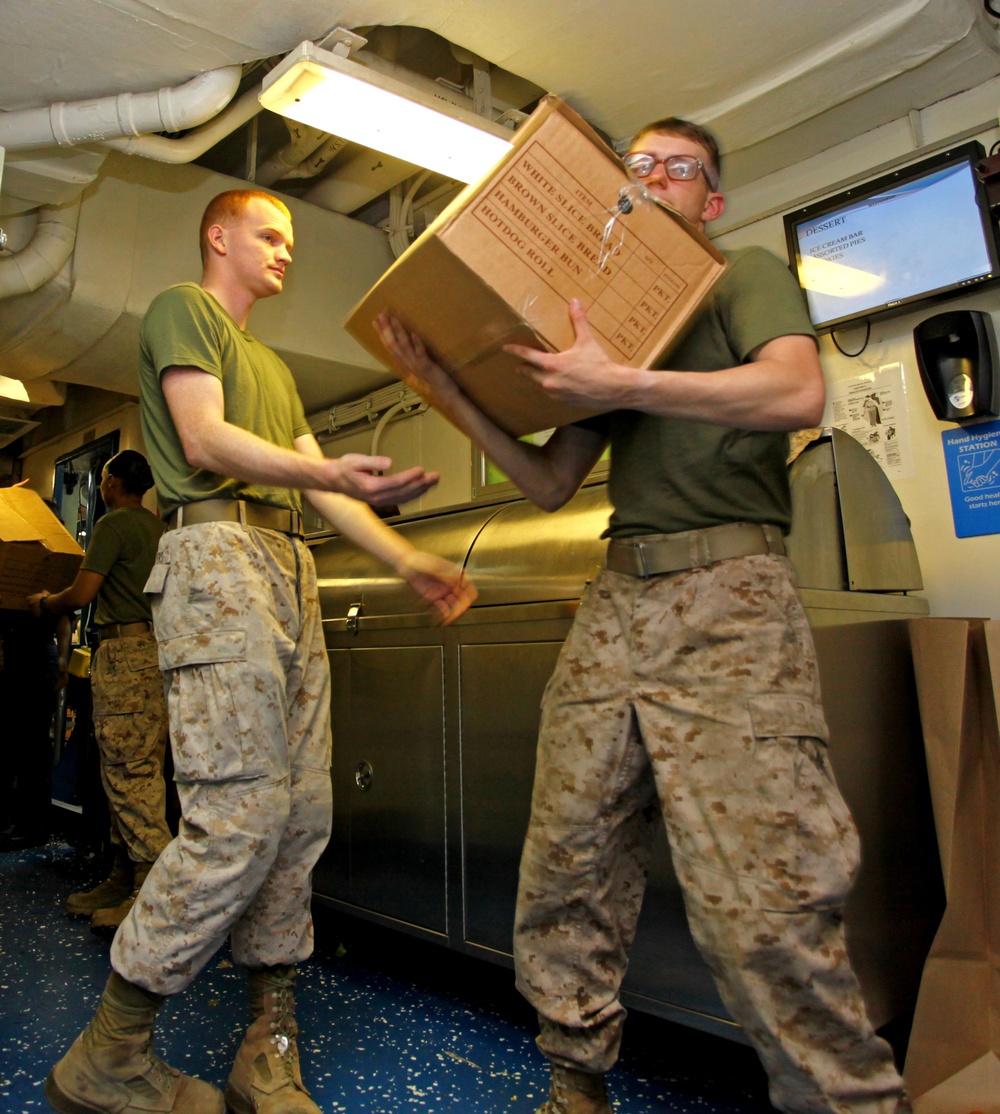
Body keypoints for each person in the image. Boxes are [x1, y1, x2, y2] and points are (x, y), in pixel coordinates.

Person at [376, 118, 910, 1114]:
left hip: (730, 598)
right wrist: (443, 389)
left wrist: (624, 382)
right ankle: (573, 1083)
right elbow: (545, 481)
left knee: (764, 902)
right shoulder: (612, 327)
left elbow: (797, 390)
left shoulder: (738, 274)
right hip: (615, 600)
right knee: (564, 862)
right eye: (637, 167)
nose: (654, 177)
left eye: (680, 169)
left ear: (709, 202)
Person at [45, 188, 476, 1114]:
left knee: (300, 811)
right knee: (235, 816)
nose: (286, 251)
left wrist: (408, 558)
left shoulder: (274, 368)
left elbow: (322, 492)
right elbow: (204, 438)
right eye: (270, 234)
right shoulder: (182, 308)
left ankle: (265, 1046)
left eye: (292, 241)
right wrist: (322, 469)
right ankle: (110, 1050)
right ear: (218, 235)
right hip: (216, 559)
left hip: (288, 568)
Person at [28, 450, 171, 933]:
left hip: (124, 655)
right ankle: (122, 875)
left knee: (129, 771)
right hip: (156, 656)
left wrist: (47, 601)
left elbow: (83, 594)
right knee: (133, 765)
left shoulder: (113, 527)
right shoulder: (159, 529)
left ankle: (152, 888)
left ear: (109, 484)